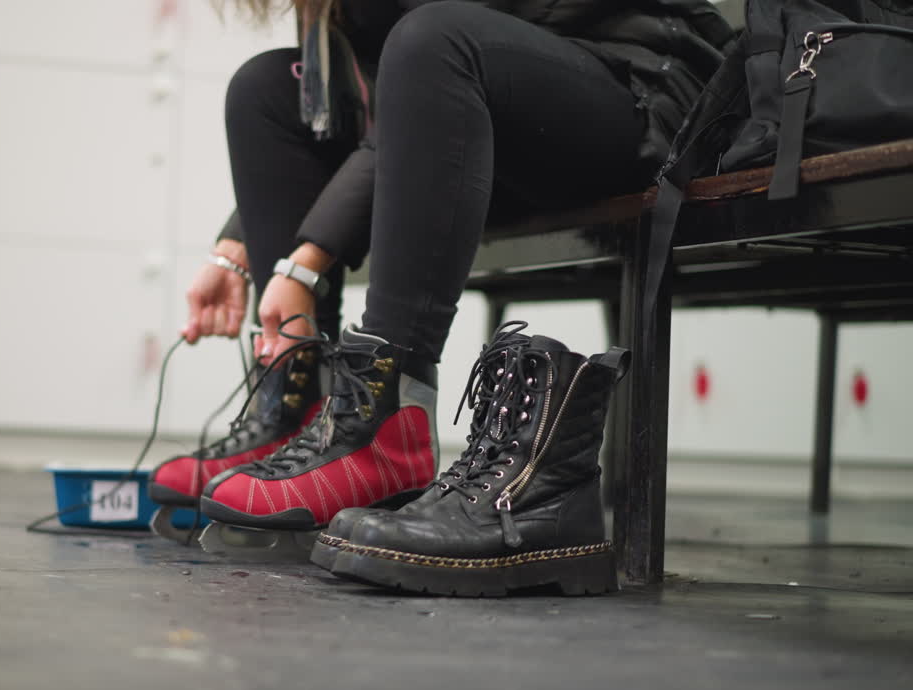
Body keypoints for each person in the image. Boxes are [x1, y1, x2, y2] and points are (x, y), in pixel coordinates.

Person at [150, 0, 733, 595]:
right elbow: (359, 102)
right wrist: (236, 248)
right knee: (266, 88)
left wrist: (304, 264)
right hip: (483, 116)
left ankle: (385, 419)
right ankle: (303, 412)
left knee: (431, 42)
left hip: (636, 88)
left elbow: (421, 71)